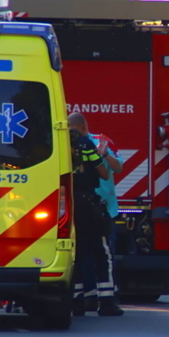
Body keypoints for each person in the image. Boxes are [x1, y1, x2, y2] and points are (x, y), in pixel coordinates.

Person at [68, 113, 110, 316]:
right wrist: (100, 155)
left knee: (76, 254)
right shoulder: (86, 144)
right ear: (83, 126)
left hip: (68, 203)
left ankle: (76, 301)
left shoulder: (60, 144)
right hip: (88, 204)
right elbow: (104, 174)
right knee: (101, 252)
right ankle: (107, 301)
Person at [88, 130, 124, 316]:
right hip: (79, 207)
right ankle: (88, 298)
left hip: (103, 210)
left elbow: (118, 167)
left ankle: (104, 297)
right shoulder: (63, 140)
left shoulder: (102, 141)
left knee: (104, 254)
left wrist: (105, 154)